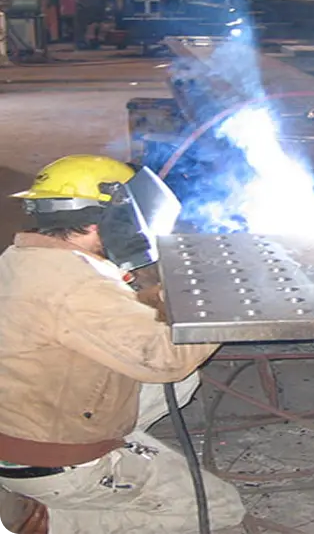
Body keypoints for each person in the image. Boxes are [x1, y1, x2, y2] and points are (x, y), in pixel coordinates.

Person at [0, 155, 246, 534]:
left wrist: (149, 281)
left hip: (23, 421)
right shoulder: (78, 287)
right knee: (220, 509)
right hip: (48, 459)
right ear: (117, 219)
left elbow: (117, 310)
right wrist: (223, 296)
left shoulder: (23, 257)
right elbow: (167, 359)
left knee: (180, 385)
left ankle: (104, 452)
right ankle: (51, 522)